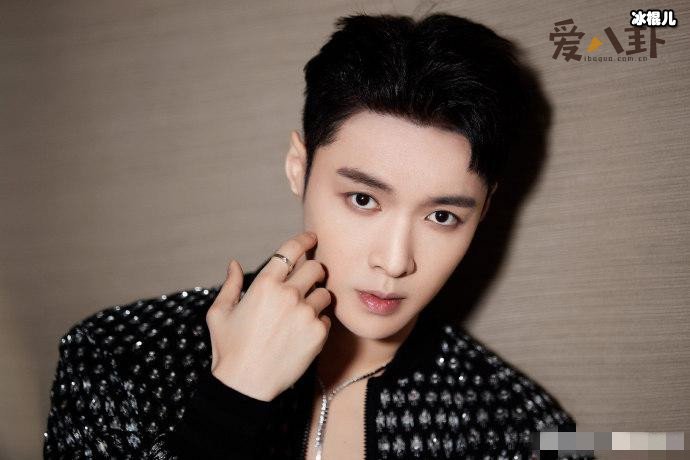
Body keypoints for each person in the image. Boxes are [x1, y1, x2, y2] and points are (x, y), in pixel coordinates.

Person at [43, 12, 594, 460]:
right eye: (363, 200)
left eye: (442, 217)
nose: (395, 262)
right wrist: (232, 400)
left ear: (484, 212)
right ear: (298, 167)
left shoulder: (523, 432)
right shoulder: (119, 359)